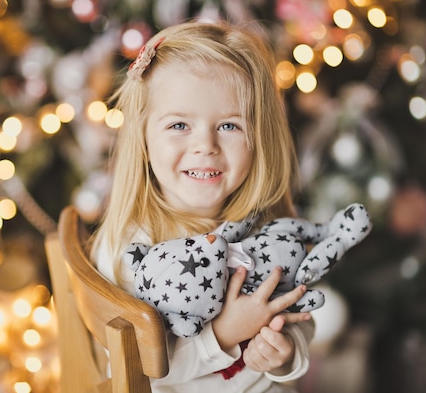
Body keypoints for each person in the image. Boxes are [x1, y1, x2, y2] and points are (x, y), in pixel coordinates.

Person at [90, 20, 314, 393]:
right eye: (179, 125)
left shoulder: (263, 223)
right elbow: (136, 367)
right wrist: (223, 336)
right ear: (143, 138)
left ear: (259, 138)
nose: (205, 146)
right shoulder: (132, 248)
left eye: (229, 126)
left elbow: (298, 314)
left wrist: (287, 354)